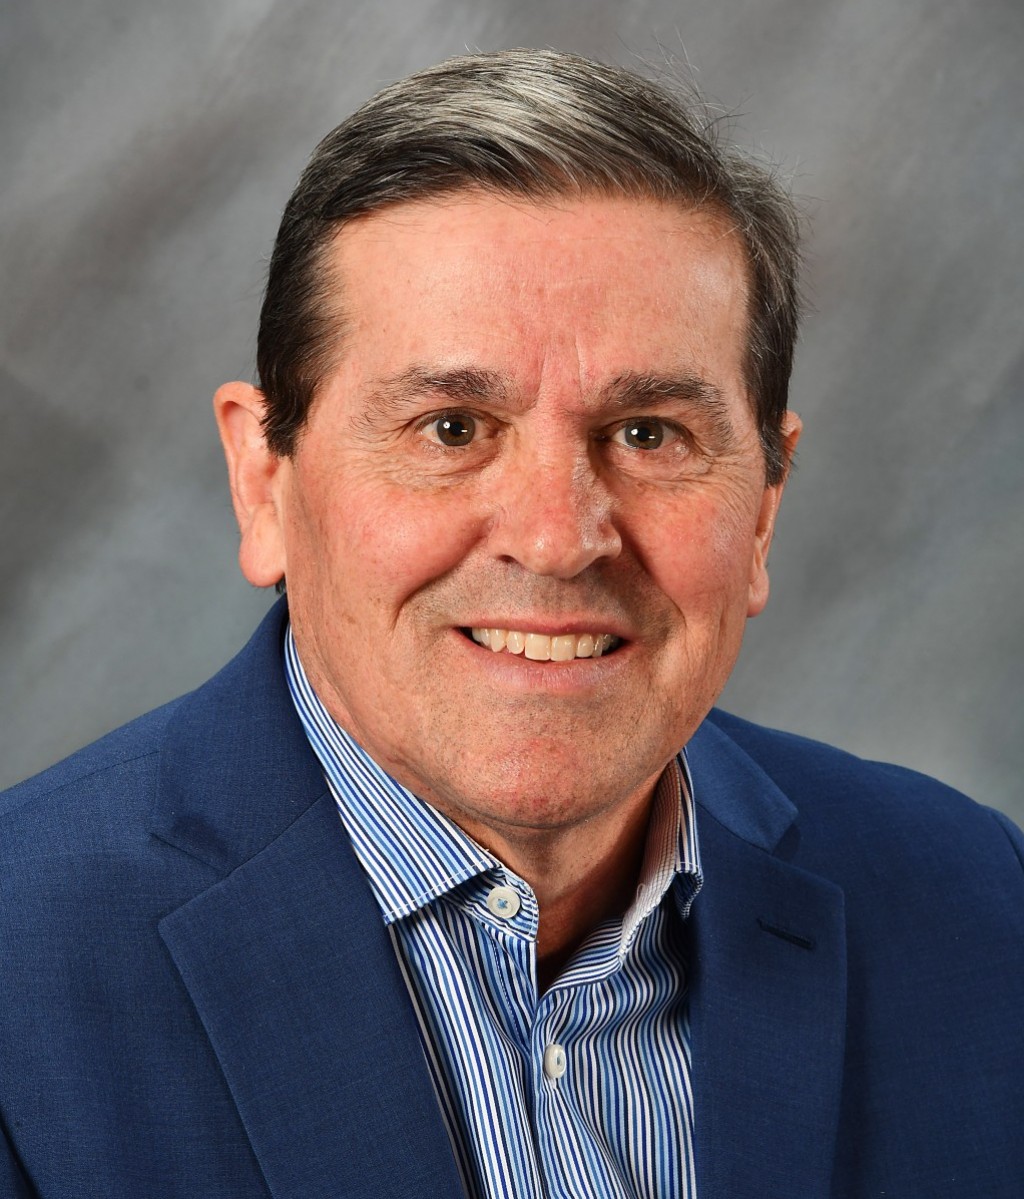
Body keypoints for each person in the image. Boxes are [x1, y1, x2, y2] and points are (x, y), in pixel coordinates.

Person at [1, 48, 1021, 1199]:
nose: (556, 537)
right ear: (263, 481)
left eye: (648, 433)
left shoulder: (974, 904)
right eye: (451, 427)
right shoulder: (20, 971)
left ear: (762, 510)